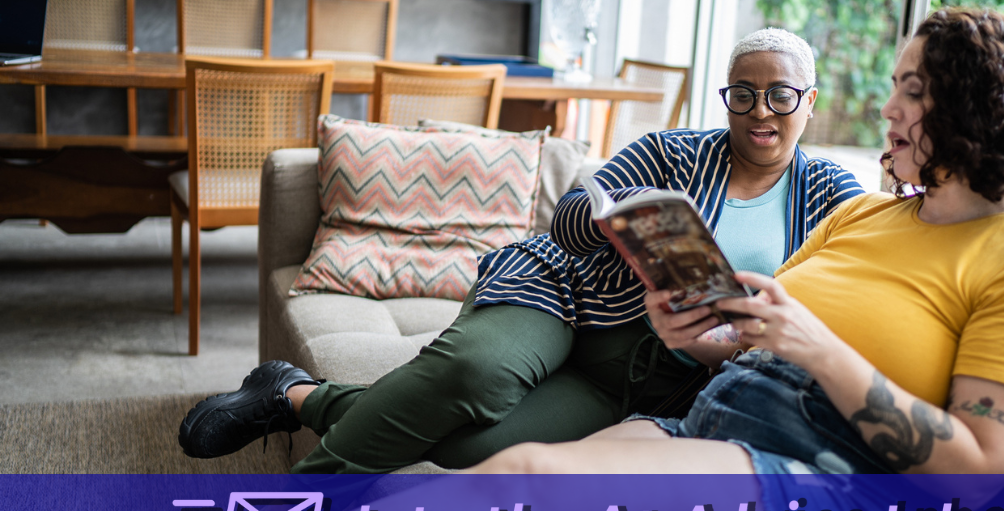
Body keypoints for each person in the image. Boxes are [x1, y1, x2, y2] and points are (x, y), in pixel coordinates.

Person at [0, 8, 1004, 511]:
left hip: (844, 502)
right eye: (898, 88)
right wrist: (704, 327)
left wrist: (803, 342)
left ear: (966, 109)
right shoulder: (860, 217)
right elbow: (602, 223)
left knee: (516, 483)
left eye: (907, 91)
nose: (888, 108)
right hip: (677, 393)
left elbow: (975, 476)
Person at [177, 28, 863, 474]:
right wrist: (616, 227)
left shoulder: (832, 193)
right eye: (743, 94)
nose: (760, 111)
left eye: (779, 94)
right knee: (473, 375)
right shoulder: (671, 150)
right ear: (728, 98)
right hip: (566, 297)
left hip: (650, 374)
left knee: (466, 446)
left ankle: (295, 395)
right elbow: (569, 215)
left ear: (807, 99)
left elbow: (832, 303)